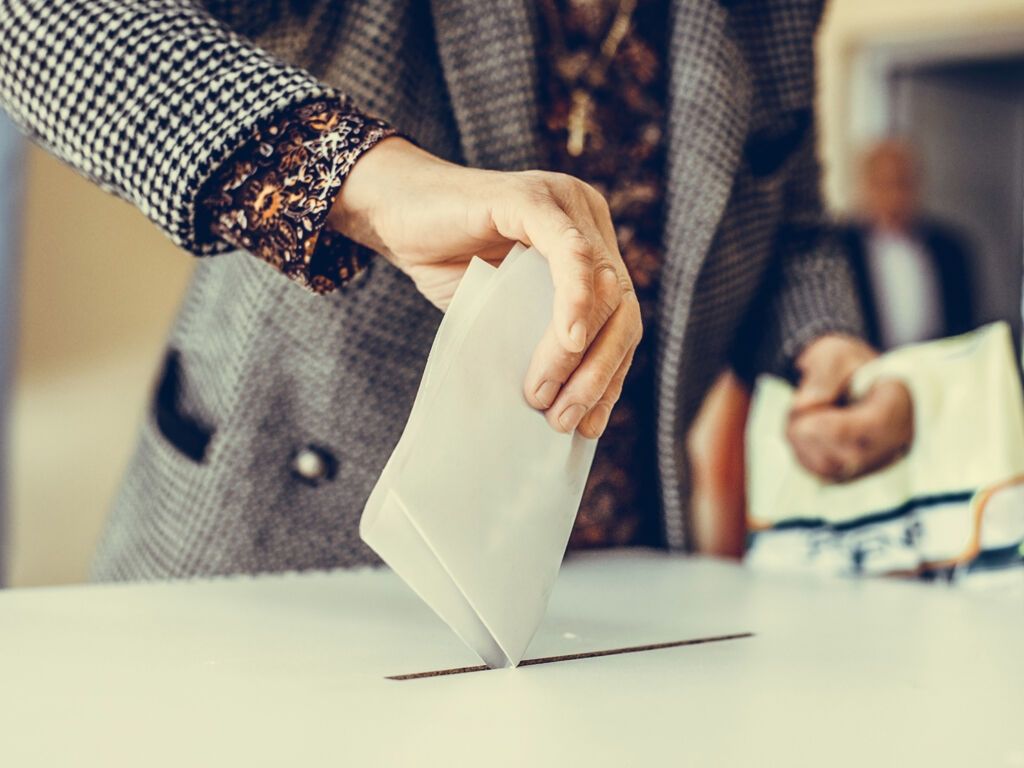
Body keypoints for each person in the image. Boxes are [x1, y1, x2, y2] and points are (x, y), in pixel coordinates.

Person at [0, 0, 913, 580]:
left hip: (617, 576)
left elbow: (786, 212)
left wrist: (822, 342)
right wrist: (366, 180)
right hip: (281, 547)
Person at [841, 139, 976, 351]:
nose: (894, 196)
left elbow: (967, 326)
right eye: (882, 183)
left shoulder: (951, 249)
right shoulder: (839, 250)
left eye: (902, 183)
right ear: (864, 185)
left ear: (918, 184)